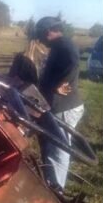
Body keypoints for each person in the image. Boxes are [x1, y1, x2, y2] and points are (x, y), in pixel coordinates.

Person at [36, 16, 83, 190]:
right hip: (58, 106)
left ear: (48, 32)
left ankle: (57, 189)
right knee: (52, 145)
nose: (40, 39)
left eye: (40, 35)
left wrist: (61, 84)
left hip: (64, 106)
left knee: (59, 148)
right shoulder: (58, 46)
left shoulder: (64, 45)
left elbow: (73, 62)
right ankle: (51, 183)